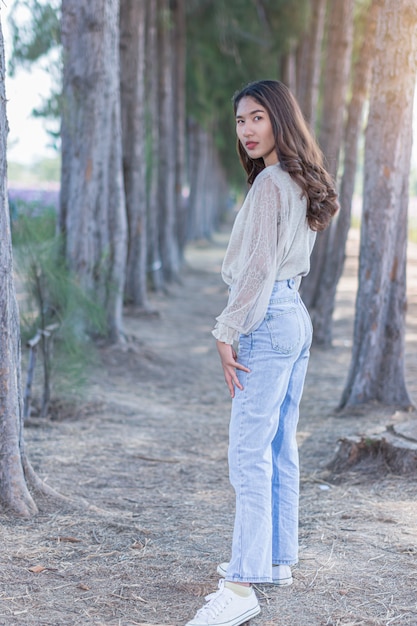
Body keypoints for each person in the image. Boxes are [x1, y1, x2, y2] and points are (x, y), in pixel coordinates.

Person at [185, 79, 339, 626]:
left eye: (256, 118)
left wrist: (226, 330)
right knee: (277, 448)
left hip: (268, 317)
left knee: (249, 454)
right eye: (239, 121)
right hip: (293, 317)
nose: (246, 130)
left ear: (278, 118)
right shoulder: (297, 177)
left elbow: (256, 269)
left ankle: (241, 585)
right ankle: (274, 558)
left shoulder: (272, 183)